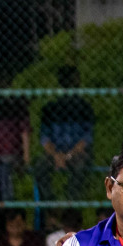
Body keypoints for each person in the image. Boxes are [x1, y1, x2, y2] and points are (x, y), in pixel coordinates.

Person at [33, 66, 95, 200]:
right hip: (56, 153)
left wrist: (70, 155)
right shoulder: (51, 108)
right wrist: (56, 155)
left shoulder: (84, 108)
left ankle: (71, 204)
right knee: (40, 166)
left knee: (80, 166)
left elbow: (86, 138)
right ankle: (50, 205)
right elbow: (45, 138)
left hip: (76, 153)